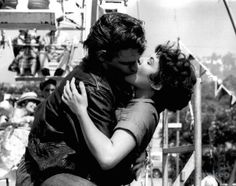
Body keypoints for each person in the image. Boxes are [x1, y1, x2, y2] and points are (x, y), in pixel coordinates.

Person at [16, 12, 146, 186]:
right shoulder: (93, 88)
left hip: (59, 169)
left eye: (138, 61)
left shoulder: (110, 77)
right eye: (128, 63)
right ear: (102, 57)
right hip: (46, 174)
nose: (135, 68)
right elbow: (107, 159)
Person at [62, 41, 196, 174]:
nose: (139, 60)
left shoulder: (142, 111)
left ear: (157, 84)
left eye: (149, 62)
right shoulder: (144, 105)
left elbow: (107, 157)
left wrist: (81, 111)